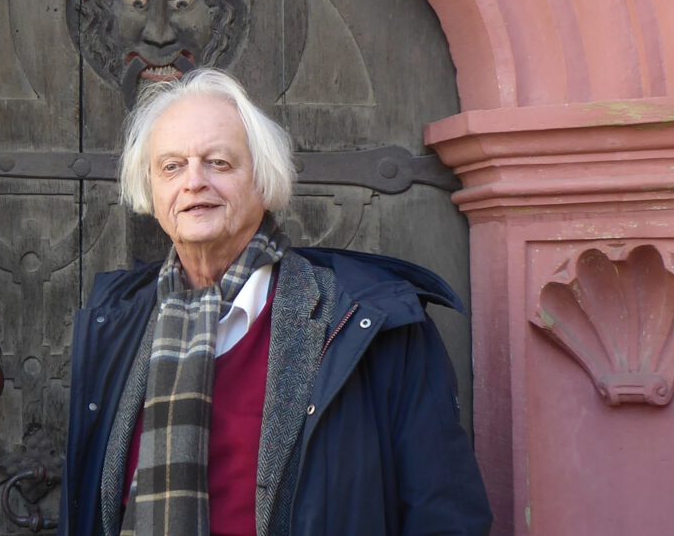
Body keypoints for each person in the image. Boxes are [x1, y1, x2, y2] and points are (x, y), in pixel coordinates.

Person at [60, 69, 492, 535]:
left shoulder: (369, 320)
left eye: (219, 163)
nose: (193, 182)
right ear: (151, 188)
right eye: (171, 166)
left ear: (263, 182)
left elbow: (444, 514)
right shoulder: (118, 324)